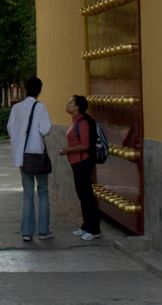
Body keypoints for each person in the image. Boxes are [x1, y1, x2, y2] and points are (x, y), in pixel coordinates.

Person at [6, 76, 53, 242]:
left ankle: (26, 231)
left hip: (22, 156)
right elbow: (46, 129)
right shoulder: (40, 107)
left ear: (25, 89)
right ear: (40, 90)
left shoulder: (16, 107)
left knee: (27, 194)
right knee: (43, 192)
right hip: (37, 155)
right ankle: (43, 230)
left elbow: (10, 129)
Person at [59, 95, 102, 241]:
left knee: (87, 196)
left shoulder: (82, 122)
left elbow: (85, 145)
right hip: (76, 163)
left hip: (82, 162)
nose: (68, 103)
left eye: (71, 102)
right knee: (82, 195)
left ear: (77, 107)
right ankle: (86, 225)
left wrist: (67, 150)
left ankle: (94, 229)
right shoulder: (75, 121)